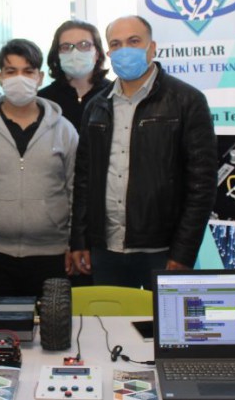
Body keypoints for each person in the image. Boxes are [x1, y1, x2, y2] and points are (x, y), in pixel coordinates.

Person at [68, 15, 217, 290]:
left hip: (163, 251)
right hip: (105, 250)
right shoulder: (97, 106)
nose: (124, 50)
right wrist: (80, 240)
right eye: (116, 44)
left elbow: (202, 185)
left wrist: (184, 252)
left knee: (163, 319)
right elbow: (84, 180)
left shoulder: (187, 101)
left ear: (152, 48)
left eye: (134, 41)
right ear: (109, 53)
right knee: (110, 318)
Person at [0, 38, 79, 298]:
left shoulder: (64, 130)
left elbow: (75, 191)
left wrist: (73, 243)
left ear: (40, 77)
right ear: (0, 76)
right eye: (11, 71)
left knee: (51, 321)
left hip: (51, 254)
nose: (19, 78)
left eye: (28, 71)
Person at [38, 19, 110, 132]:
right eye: (66, 47)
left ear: (97, 53)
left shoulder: (112, 94)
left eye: (84, 45)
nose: (75, 52)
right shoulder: (43, 100)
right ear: (57, 55)